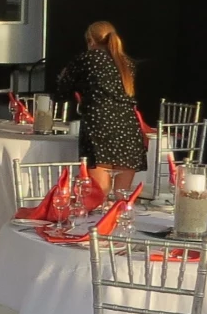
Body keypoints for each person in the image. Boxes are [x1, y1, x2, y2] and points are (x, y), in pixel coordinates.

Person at [52, 20, 143, 198]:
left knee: (98, 197)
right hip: (128, 130)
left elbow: (62, 93)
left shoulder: (88, 59)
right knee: (122, 198)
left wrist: (64, 78)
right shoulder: (127, 63)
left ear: (90, 40)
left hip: (99, 128)